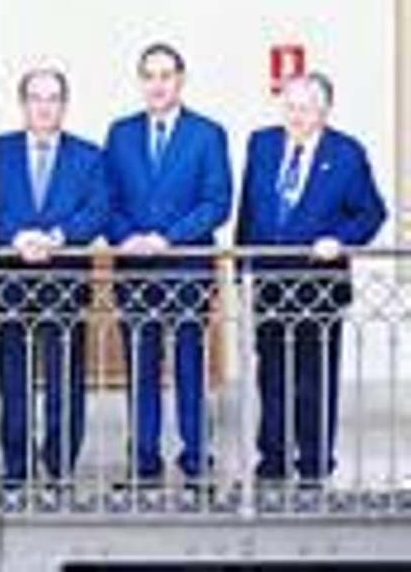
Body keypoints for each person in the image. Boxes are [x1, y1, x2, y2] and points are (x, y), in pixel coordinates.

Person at [236, 72, 386, 483]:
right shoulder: (262, 143)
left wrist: (340, 240)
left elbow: (371, 212)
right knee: (272, 376)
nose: (296, 116)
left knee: (313, 379)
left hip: (319, 286)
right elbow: (248, 208)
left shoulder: (346, 152)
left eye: (305, 108)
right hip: (269, 283)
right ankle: (273, 462)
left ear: (324, 111)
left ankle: (315, 463)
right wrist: (242, 270)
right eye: (289, 106)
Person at [104, 42, 232, 486]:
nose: (157, 85)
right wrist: (128, 238)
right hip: (134, 268)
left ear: (181, 80)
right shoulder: (120, 133)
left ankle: (196, 457)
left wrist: (167, 238)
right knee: (140, 366)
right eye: (149, 76)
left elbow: (217, 202)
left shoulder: (207, 134)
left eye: (165, 75)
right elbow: (107, 198)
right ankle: (143, 459)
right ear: (140, 82)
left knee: (190, 364)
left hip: (186, 268)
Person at [0, 69, 108, 485]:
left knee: (65, 380)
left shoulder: (88, 155)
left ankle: (60, 466)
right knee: (13, 381)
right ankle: (17, 467)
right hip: (10, 284)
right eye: (36, 98)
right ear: (22, 104)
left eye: (53, 98)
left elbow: (97, 209)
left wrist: (58, 237)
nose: (44, 107)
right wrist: (16, 236)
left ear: (64, 105)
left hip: (64, 283)